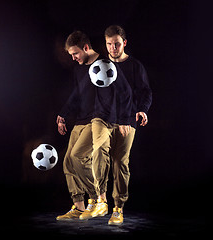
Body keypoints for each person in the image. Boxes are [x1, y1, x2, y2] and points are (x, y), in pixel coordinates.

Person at [56, 31, 133, 221]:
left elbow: (124, 93)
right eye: (71, 55)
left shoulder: (107, 65)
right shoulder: (78, 69)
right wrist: (63, 114)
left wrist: (122, 119)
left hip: (96, 120)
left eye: (75, 54)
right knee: (68, 163)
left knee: (77, 157)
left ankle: (98, 199)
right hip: (80, 120)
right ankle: (80, 207)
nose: (73, 58)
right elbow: (77, 94)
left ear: (86, 48)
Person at [104, 25, 152, 225]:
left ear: (124, 43)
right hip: (104, 122)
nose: (113, 48)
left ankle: (118, 208)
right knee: (96, 158)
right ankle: (96, 202)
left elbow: (145, 91)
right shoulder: (102, 66)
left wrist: (142, 109)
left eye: (116, 44)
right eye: (109, 44)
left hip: (126, 122)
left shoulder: (135, 66)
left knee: (119, 163)